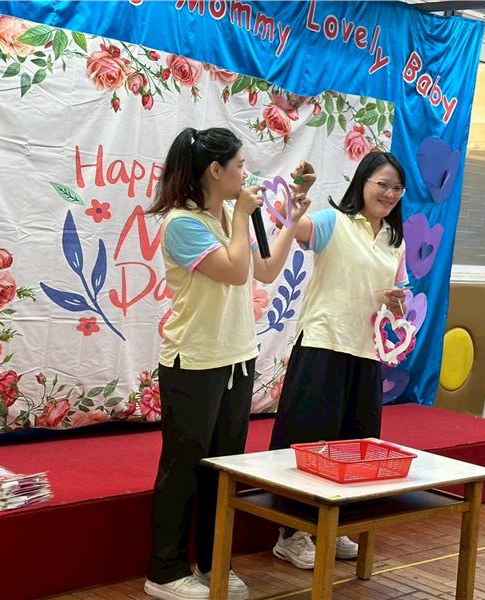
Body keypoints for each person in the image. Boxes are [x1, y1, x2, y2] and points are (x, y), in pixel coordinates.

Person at [144, 127, 310, 600]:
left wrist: (291, 218)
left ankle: (213, 563)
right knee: (183, 468)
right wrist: (241, 216)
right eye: (239, 165)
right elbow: (236, 272)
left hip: (238, 358)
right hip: (194, 361)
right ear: (215, 171)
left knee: (223, 468)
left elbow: (265, 270)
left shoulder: (228, 218)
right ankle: (164, 572)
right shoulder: (183, 224)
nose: (245, 173)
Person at [268, 151, 408, 569]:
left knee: (355, 445)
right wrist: (298, 193)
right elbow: (288, 223)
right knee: (308, 441)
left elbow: (396, 303)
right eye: (382, 184)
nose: (389, 194)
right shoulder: (335, 222)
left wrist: (397, 304)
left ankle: (333, 525)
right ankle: (291, 534)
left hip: (365, 353)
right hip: (323, 345)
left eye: (397, 188)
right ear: (362, 182)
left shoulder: (394, 241)